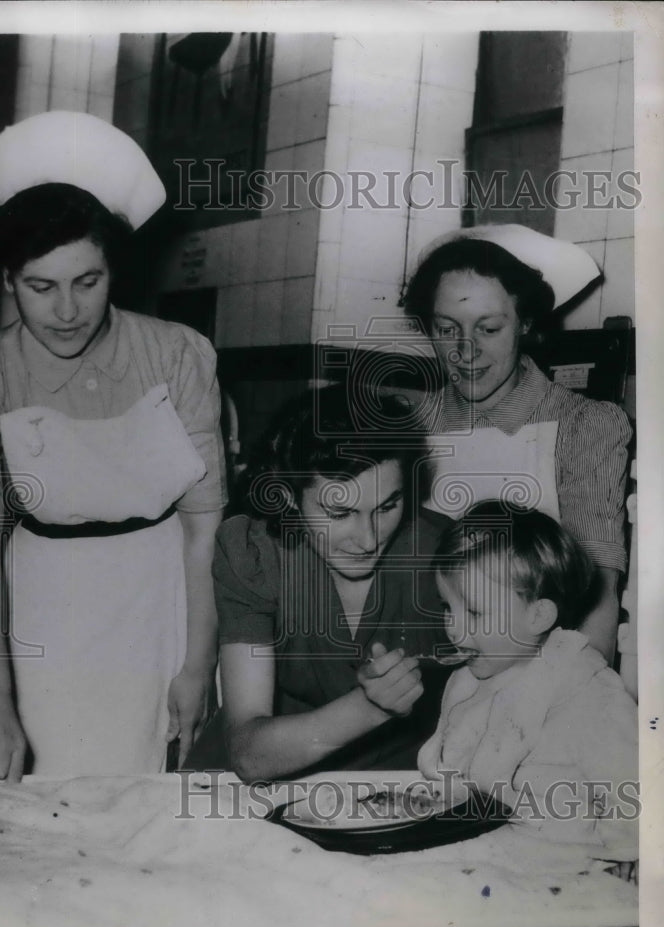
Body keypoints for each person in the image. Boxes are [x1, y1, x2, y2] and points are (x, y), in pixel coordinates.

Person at [0, 111, 227, 780]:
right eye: (41, 287)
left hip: (162, 606)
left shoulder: (178, 354)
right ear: (9, 280)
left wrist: (198, 664)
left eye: (86, 282)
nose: (67, 311)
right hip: (38, 611)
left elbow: (204, 533)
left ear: (113, 272)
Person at [186, 383, 453, 782]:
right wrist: (370, 707)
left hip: (402, 771)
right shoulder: (252, 554)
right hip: (278, 759)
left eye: (388, 506)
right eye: (340, 512)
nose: (368, 539)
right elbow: (248, 754)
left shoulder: (447, 552)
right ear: (290, 497)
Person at [404, 225, 632, 663]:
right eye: (447, 329)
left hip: (536, 675)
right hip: (420, 669)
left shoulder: (585, 425)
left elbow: (597, 592)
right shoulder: (407, 427)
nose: (464, 351)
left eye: (488, 329)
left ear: (525, 324)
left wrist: (573, 696)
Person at [418, 501, 638, 861]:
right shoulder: (469, 683)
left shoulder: (588, 692)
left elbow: (637, 791)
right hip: (483, 857)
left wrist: (628, 858)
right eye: (447, 607)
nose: (454, 628)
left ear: (538, 616)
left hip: (570, 868)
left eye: (474, 612)